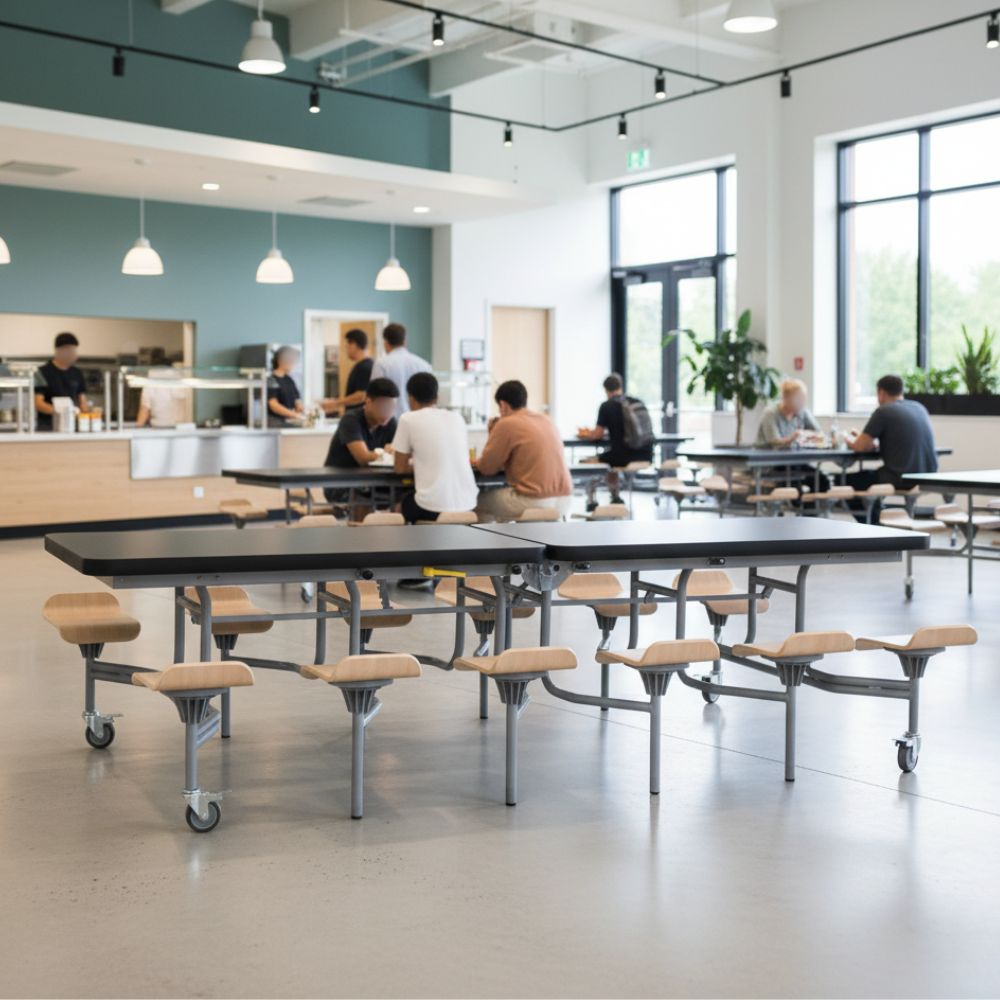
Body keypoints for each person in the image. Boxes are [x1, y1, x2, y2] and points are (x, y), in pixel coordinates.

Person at [475, 380, 573, 522]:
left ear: (502, 405)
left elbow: (487, 468)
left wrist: (493, 432)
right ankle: (508, 540)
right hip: (564, 500)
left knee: (476, 501)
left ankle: (493, 543)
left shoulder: (506, 423)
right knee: (504, 500)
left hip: (535, 500)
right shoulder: (546, 420)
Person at [393, 372, 479, 523]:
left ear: (410, 399)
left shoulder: (407, 419)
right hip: (468, 505)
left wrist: (419, 466)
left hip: (431, 507)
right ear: (437, 397)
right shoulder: (457, 418)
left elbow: (399, 468)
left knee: (399, 506)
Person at [846, 374, 938, 493]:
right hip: (927, 476)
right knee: (864, 478)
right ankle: (873, 510)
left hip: (900, 477)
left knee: (841, 480)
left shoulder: (883, 411)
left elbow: (859, 446)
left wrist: (845, 439)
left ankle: (871, 511)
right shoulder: (919, 408)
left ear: (881, 393)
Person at [576, 373, 654, 509]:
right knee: (610, 458)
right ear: (620, 387)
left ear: (606, 390)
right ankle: (615, 496)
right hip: (645, 454)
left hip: (623, 457)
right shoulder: (637, 402)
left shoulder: (606, 406)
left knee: (587, 462)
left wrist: (586, 434)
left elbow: (597, 435)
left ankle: (591, 499)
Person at [323, 378, 399, 510]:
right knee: (364, 495)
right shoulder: (351, 420)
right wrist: (386, 453)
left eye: (392, 407)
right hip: (340, 484)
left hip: (374, 483)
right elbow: (363, 458)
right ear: (368, 402)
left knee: (404, 493)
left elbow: (399, 454)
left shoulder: (391, 423)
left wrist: (391, 453)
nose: (388, 412)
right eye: (384, 406)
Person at [370, 322, 431, 416]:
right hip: (418, 420)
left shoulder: (382, 364)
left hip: (390, 421)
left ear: (385, 343)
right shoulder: (424, 364)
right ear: (404, 341)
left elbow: (375, 395)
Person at [36, 332, 88, 430]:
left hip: (71, 426)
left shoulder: (77, 373)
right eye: (70, 351)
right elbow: (38, 403)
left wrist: (86, 415)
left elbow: (83, 402)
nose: (73, 355)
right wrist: (61, 412)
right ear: (60, 351)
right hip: (47, 427)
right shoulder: (42, 372)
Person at [755, 378, 822, 447]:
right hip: (768, 455)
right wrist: (793, 438)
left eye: (803, 399)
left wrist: (806, 434)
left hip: (793, 455)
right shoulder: (770, 413)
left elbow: (819, 433)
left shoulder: (803, 412)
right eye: (798, 398)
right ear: (785, 398)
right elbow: (775, 442)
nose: (801, 403)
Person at [323, 328, 373, 415]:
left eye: (347, 346)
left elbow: (361, 395)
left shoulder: (366, 367)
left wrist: (336, 403)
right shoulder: (359, 366)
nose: (346, 350)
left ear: (353, 345)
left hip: (360, 417)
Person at [266, 346, 303, 426]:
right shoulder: (271, 380)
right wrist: (294, 415)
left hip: (289, 421)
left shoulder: (289, 380)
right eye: (291, 360)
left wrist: (303, 410)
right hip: (275, 423)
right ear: (280, 360)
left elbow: (297, 401)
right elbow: (273, 405)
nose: (293, 363)